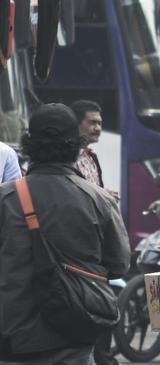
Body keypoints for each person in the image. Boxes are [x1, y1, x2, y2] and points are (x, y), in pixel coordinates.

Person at [0, 103, 130, 364]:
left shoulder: (6, 199)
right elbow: (119, 265)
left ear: (28, 145)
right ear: (74, 145)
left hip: (12, 338)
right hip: (75, 335)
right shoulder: (99, 199)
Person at [70, 100, 122, 365]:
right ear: (76, 123)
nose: (97, 128)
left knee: (104, 308)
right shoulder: (67, 160)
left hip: (99, 247)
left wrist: (105, 196)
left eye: (100, 123)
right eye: (92, 122)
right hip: (79, 250)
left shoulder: (92, 157)